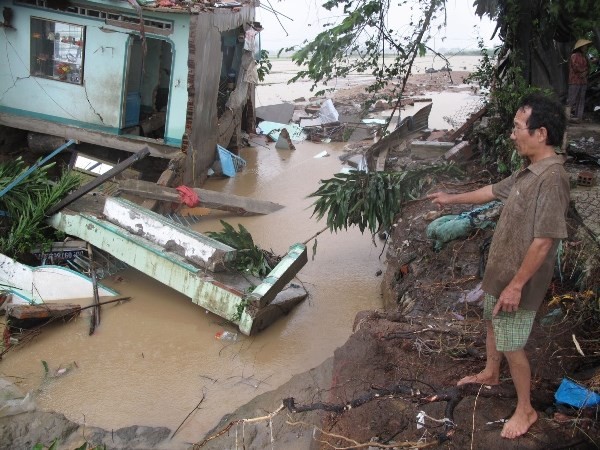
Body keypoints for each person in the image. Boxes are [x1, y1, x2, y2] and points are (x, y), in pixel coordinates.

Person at [427, 93, 569, 440]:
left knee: (511, 343)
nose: (512, 133)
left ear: (541, 133)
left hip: (519, 281)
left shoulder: (552, 178)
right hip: (501, 272)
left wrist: (517, 285)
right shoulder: (528, 172)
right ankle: (491, 373)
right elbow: (491, 191)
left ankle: (526, 409)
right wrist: (451, 199)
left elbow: (545, 240)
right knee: (492, 322)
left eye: (518, 127)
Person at [568, 38, 593, 121]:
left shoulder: (585, 56)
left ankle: (578, 117)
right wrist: (583, 71)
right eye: (585, 46)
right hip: (574, 81)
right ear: (581, 47)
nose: (586, 47)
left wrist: (585, 72)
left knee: (581, 99)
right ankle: (567, 117)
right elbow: (575, 67)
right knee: (572, 99)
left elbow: (589, 67)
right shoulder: (574, 56)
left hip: (583, 81)